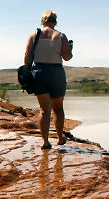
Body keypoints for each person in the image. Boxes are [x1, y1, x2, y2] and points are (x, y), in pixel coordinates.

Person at [24, 10, 73, 149]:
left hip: (39, 72)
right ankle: (59, 139)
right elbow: (67, 57)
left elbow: (27, 57)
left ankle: (45, 142)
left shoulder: (34, 34)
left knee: (44, 110)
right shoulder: (60, 36)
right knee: (58, 108)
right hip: (56, 72)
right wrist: (70, 48)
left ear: (43, 21)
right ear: (55, 21)